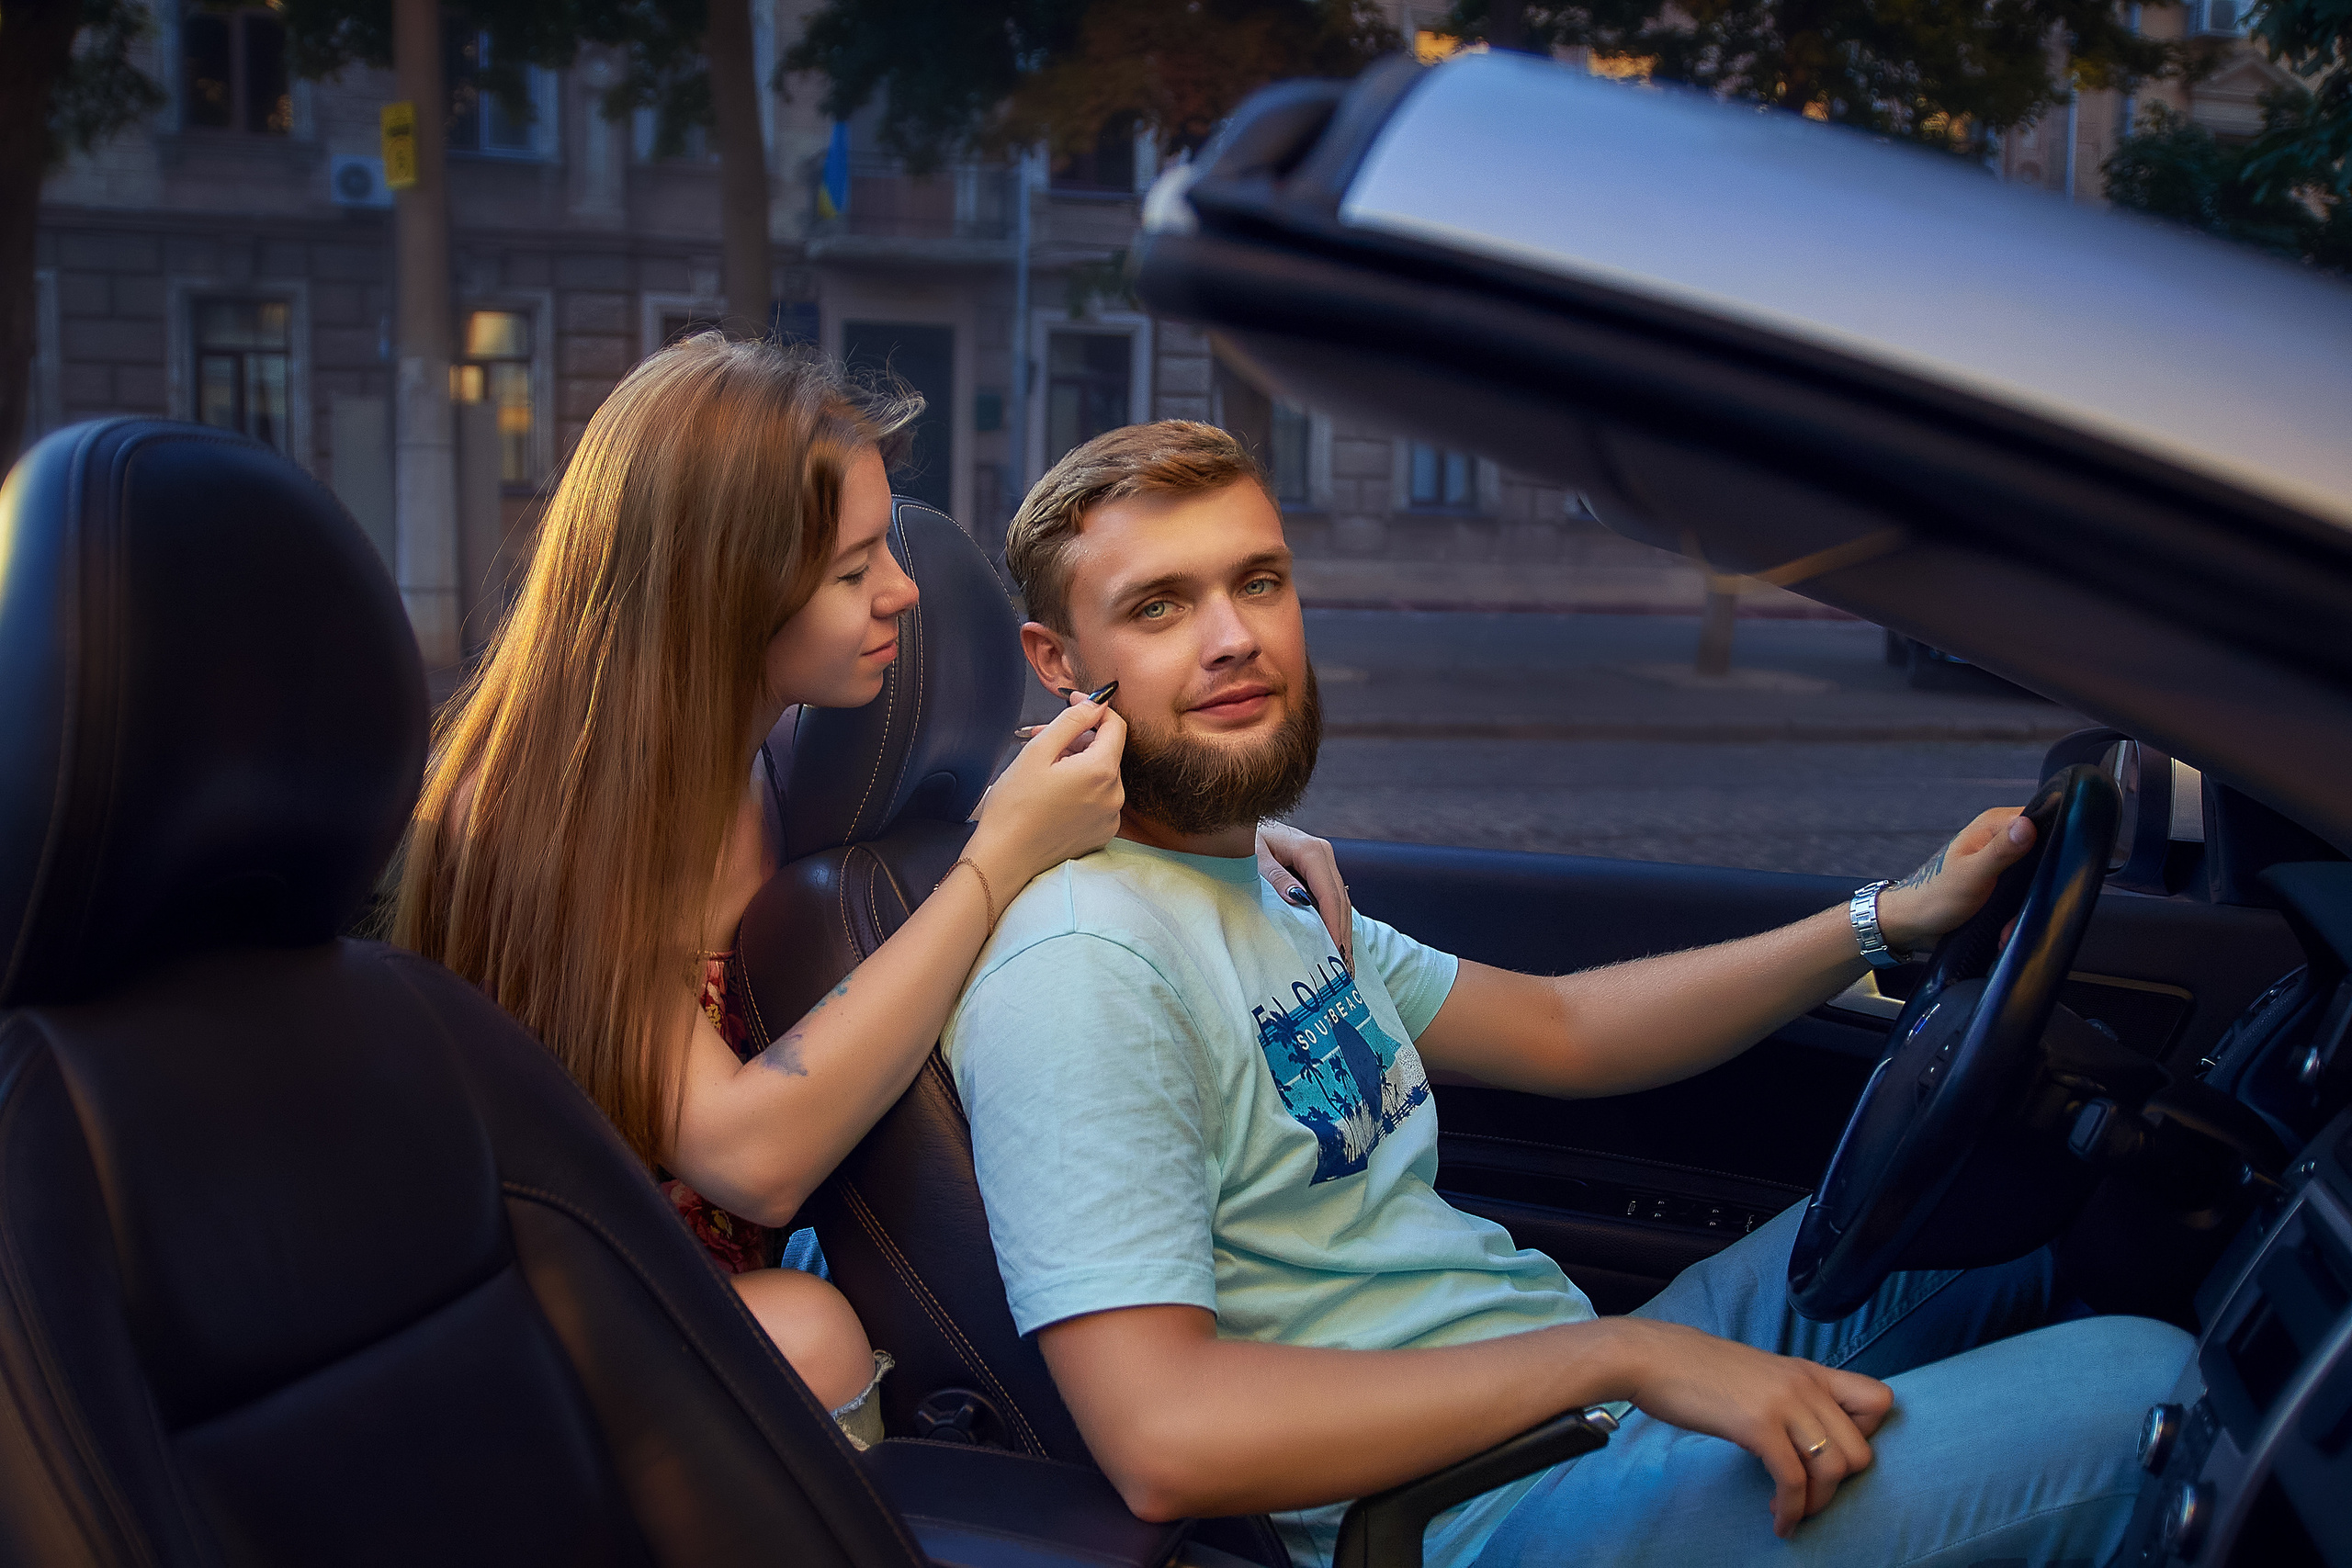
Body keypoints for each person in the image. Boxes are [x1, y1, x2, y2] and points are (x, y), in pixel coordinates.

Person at [941, 419, 2195, 1566]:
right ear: (1060, 660)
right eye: (1161, 605)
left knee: (2013, 1218)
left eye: (1258, 580)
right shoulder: (1085, 964)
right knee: (2156, 1386)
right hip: (1480, 1513)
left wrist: (1881, 916)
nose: (1234, 636)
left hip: (1559, 1410)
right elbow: (1167, 1438)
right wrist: (1618, 1351)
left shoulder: (1261, 883)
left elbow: (1567, 1027)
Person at [390, 341, 1352, 1443]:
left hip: (677, 1269)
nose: (903, 588)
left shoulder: (762, 759)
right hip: (520, 1315)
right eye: (852, 572)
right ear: (720, 591)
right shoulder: (536, 813)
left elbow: (971, 818)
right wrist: (998, 863)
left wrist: (1216, 825)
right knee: (810, 1331)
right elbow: (751, 1163)